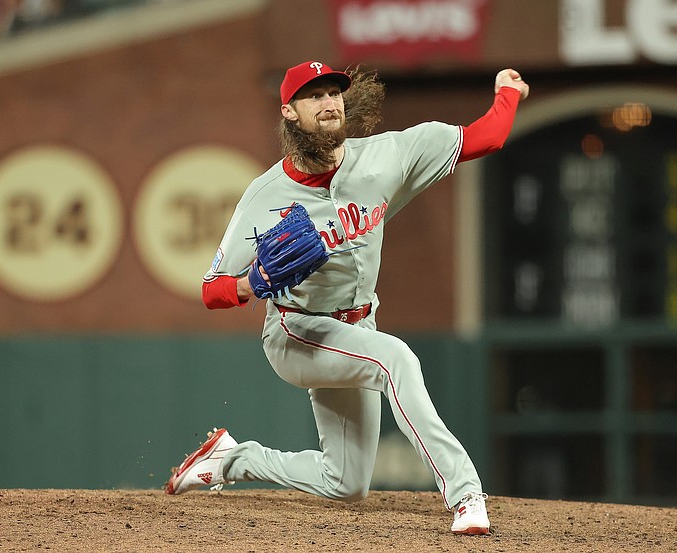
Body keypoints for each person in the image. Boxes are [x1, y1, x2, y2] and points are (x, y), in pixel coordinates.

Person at [165, 60, 529, 535]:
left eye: (333, 92)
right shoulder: (264, 195)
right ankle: (465, 495)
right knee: (395, 359)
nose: (329, 102)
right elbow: (211, 290)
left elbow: (487, 138)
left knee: (346, 481)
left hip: (358, 327)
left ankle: (233, 460)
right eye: (314, 96)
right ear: (290, 112)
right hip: (298, 332)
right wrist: (249, 284)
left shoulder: (386, 156)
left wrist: (507, 94)